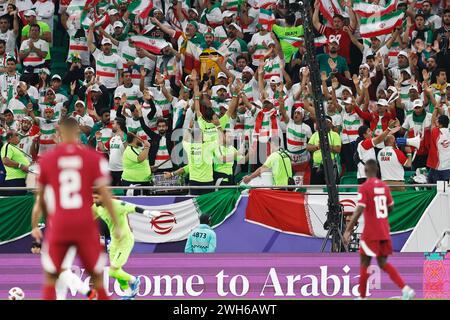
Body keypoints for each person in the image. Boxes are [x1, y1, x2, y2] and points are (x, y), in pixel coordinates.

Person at [31, 117, 122, 300]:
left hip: (60, 224)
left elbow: (40, 199)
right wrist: (117, 224)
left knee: (51, 277)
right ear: (78, 133)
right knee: (97, 278)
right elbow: (105, 194)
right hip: (85, 224)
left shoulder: (48, 160)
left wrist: (35, 225)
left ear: (59, 134)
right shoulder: (93, 158)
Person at [343, 159, 415, 300]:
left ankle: (362, 297)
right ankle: (406, 289)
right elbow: (391, 207)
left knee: (364, 262)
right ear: (377, 170)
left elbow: (359, 209)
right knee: (383, 263)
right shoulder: (384, 187)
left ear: (365, 171)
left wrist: (348, 229)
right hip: (384, 231)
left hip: (371, 232)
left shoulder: (365, 187)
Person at [92, 191, 154, 299]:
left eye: (96, 197)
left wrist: (147, 212)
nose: (94, 200)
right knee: (117, 271)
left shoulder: (115, 204)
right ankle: (128, 293)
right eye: (93, 198)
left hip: (125, 242)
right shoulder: (97, 207)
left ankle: (135, 280)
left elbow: (133, 207)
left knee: (112, 271)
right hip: (114, 242)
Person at [0, 130, 30, 195]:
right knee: (18, 199)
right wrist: (21, 165)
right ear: (10, 137)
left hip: (22, 179)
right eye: (16, 135)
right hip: (14, 180)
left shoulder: (15, 147)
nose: (18, 136)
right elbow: (5, 160)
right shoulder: (7, 146)